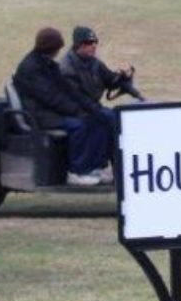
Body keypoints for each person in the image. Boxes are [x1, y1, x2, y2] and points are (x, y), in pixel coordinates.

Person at [12, 26, 114, 185]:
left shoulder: (48, 64)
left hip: (49, 111)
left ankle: (95, 166)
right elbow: (51, 98)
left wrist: (90, 107)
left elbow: (68, 90)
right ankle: (77, 171)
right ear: (51, 48)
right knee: (80, 125)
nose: (58, 52)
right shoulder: (31, 68)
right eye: (57, 48)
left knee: (97, 118)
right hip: (38, 115)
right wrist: (77, 111)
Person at [59, 25, 145, 106]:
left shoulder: (94, 62)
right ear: (79, 45)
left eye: (95, 42)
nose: (94, 46)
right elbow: (77, 99)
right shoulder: (67, 69)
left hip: (91, 107)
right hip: (76, 111)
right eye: (89, 43)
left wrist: (122, 77)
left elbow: (109, 80)